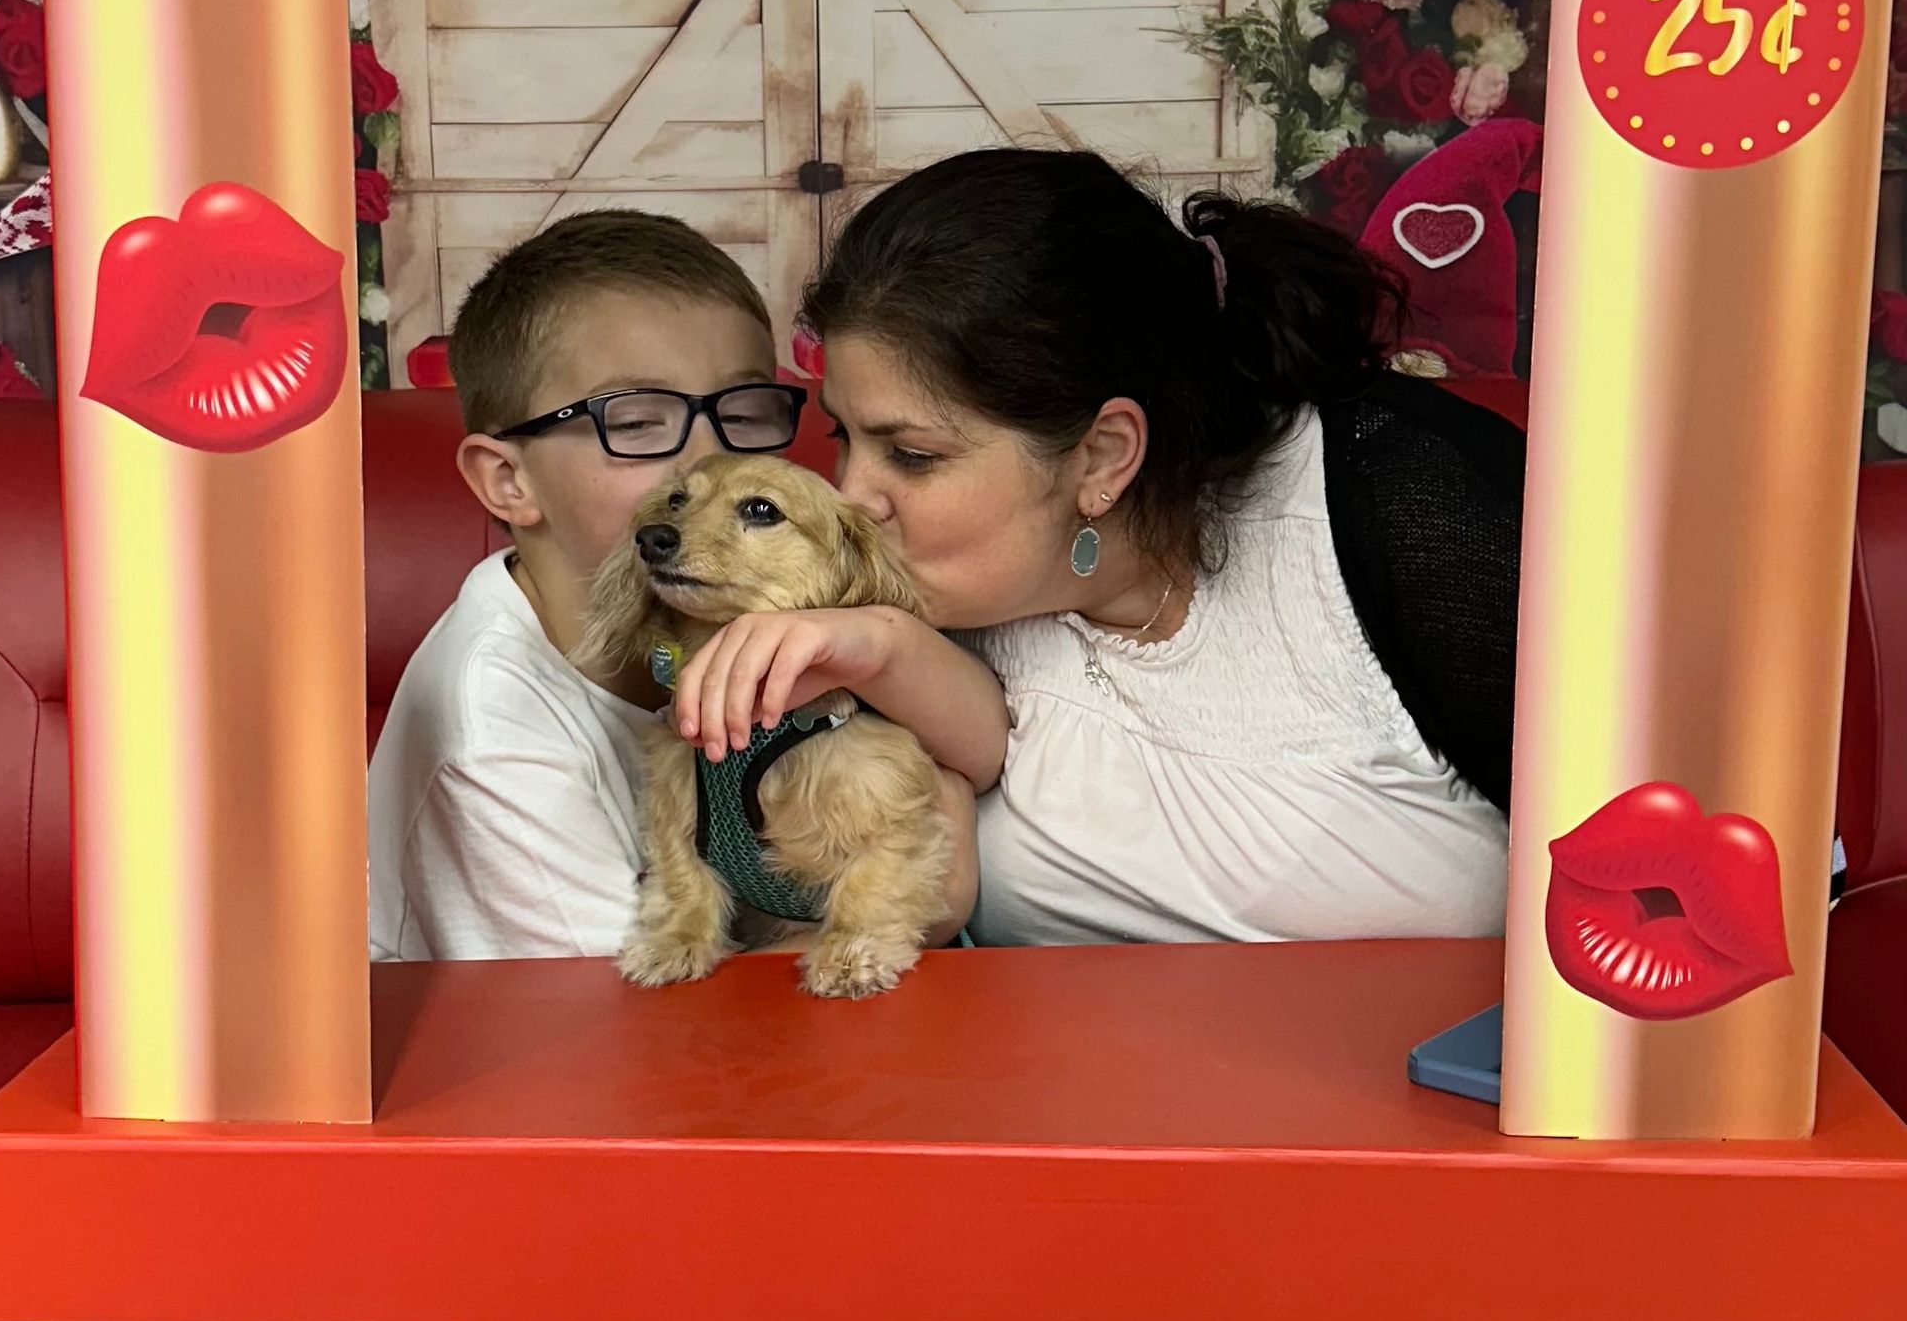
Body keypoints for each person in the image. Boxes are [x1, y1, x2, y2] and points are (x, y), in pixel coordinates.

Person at [669, 148, 1522, 950]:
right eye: (841, 435)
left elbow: (1636, 864)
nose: (852, 493)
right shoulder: (866, 605)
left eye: (913, 455)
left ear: (1104, 455)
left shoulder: (1409, 511)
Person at [368, 209, 981, 965]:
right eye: (636, 419)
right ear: (509, 479)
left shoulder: (790, 612)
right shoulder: (490, 736)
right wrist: (921, 908)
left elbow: (981, 745)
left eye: (745, 410)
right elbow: (628, 1046)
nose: (709, 461)